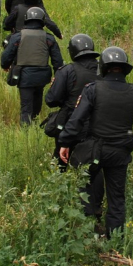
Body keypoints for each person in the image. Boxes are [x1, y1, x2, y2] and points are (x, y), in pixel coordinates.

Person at [58, 46, 133, 236]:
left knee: (85, 191)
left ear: (103, 67)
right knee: (117, 199)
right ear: (124, 68)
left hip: (94, 150)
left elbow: (77, 120)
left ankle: (88, 234)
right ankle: (115, 242)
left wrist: (65, 142)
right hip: (120, 153)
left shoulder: (93, 89)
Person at [44, 34, 101, 167]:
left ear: (72, 51)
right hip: (98, 125)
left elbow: (51, 100)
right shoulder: (104, 71)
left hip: (70, 123)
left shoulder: (67, 71)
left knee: (61, 163)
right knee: (91, 165)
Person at [0, 7, 64, 125]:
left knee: (26, 107)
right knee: (37, 102)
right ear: (42, 21)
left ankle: (26, 133)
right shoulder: (49, 38)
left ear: (27, 19)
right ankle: (34, 123)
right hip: (42, 78)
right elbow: (58, 62)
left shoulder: (18, 37)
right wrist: (58, 77)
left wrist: (5, 66)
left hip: (24, 77)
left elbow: (6, 57)